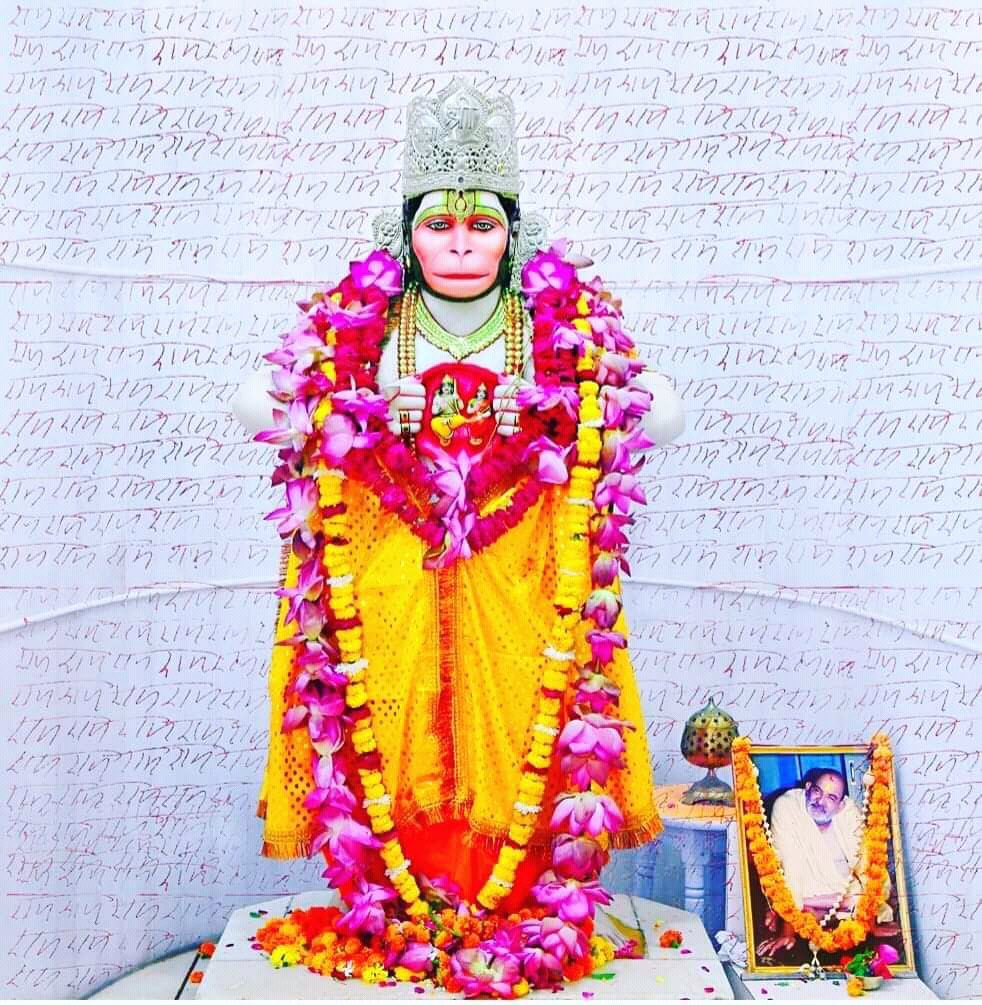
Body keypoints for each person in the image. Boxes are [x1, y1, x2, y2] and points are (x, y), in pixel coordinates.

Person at [232, 80, 687, 983]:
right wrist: (355, 408)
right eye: (439, 225)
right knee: (385, 720)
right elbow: (258, 401)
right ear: (406, 233)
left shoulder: (556, 323)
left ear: (514, 232)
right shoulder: (366, 322)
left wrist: (561, 407)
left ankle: (517, 903)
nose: (461, 245)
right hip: (388, 575)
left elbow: (662, 409)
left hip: (522, 579)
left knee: (527, 720)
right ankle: (400, 903)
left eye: (482, 225)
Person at [757, 768, 896, 957]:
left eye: (831, 797)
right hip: (802, 889)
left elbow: (866, 868)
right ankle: (825, 909)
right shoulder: (787, 807)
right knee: (785, 890)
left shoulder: (849, 813)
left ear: (840, 805)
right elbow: (791, 867)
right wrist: (787, 932)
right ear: (807, 788)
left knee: (866, 892)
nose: (820, 801)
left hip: (842, 894)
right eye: (817, 791)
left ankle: (812, 908)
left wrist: (870, 926)